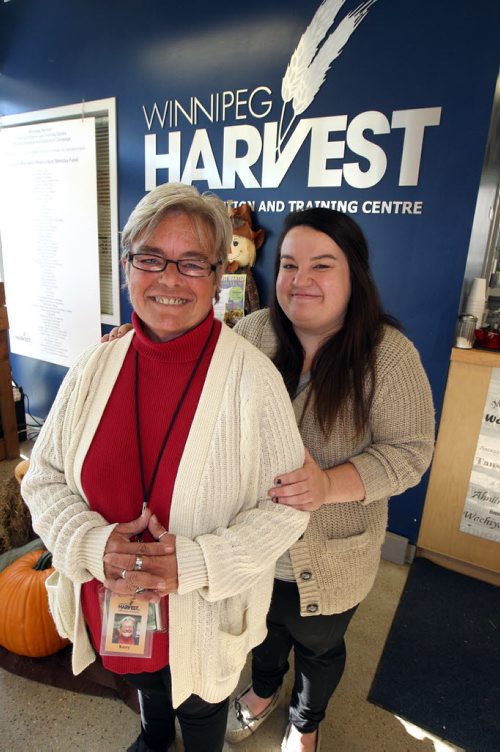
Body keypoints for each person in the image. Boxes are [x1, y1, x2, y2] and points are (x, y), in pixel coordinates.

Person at [103, 207, 435, 752]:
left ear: (355, 274)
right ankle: (262, 691)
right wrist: (139, 341)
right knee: (260, 633)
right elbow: (185, 356)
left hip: (329, 557)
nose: (300, 281)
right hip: (250, 550)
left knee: (319, 646)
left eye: (322, 266)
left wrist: (330, 485)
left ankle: (306, 719)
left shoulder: (388, 356)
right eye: (287, 265)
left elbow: (410, 454)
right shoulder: (251, 336)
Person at [21, 183, 309, 752]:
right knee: (147, 687)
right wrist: (87, 543)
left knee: (201, 707)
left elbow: (286, 510)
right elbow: (44, 474)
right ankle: (155, 737)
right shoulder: (95, 364)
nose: (169, 278)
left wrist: (197, 561)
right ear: (128, 264)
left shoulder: (255, 380)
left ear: (218, 272)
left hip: (202, 616)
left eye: (191, 262)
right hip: (113, 602)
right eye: (151, 257)